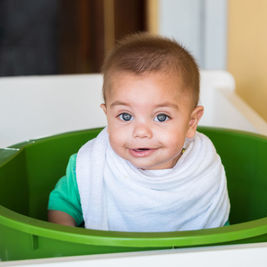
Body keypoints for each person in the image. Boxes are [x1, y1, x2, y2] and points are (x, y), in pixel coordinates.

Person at [47, 33, 230, 232]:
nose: (141, 132)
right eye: (125, 116)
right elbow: (61, 207)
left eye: (161, 117)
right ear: (107, 115)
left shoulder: (202, 168)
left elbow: (219, 227)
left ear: (191, 123)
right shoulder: (92, 166)